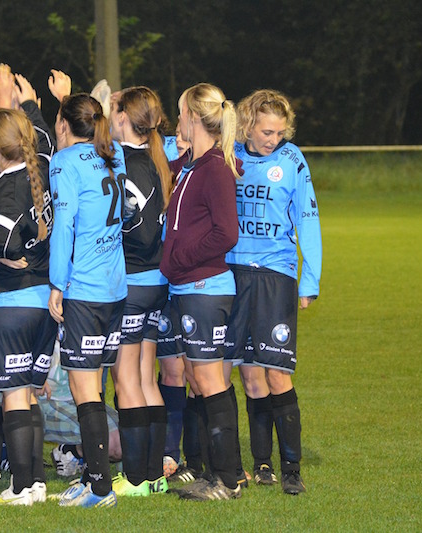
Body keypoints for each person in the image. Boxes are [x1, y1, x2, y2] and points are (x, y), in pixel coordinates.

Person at [222, 88, 321, 495]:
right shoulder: (229, 154)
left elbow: (308, 219)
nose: (273, 139)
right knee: (250, 377)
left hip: (276, 275)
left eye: (279, 132)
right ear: (247, 124)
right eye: (266, 131)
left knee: (278, 375)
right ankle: (262, 463)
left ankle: (291, 467)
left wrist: (309, 279)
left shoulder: (292, 159)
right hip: (232, 274)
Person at [0, 66, 57, 506]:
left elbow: (1, 236)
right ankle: (37, 483)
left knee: (13, 397)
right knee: (27, 394)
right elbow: (41, 133)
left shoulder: (7, 188)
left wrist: (4, 254)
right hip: (44, 300)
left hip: (10, 301)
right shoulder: (40, 163)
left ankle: (22, 487)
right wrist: (22, 102)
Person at [47, 71, 127, 509]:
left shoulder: (64, 163)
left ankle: (99, 487)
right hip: (115, 288)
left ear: (63, 124)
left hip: (85, 290)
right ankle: (96, 479)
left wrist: (57, 284)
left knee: (85, 390)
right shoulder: (113, 156)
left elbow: (64, 229)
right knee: (94, 384)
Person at [160, 82, 243, 501]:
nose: (176, 122)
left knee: (210, 381)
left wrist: (181, 259)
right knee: (199, 378)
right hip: (189, 287)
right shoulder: (193, 165)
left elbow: (227, 232)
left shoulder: (214, 169)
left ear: (194, 117)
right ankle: (220, 473)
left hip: (205, 287)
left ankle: (227, 480)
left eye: (179, 114)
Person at [107, 86, 173, 497]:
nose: (109, 120)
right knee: (147, 378)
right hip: (156, 284)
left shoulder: (125, 165)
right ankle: (154, 475)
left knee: (126, 379)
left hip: (131, 283)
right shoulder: (155, 160)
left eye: (114, 113)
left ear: (124, 120)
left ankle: (135, 478)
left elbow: (141, 230)